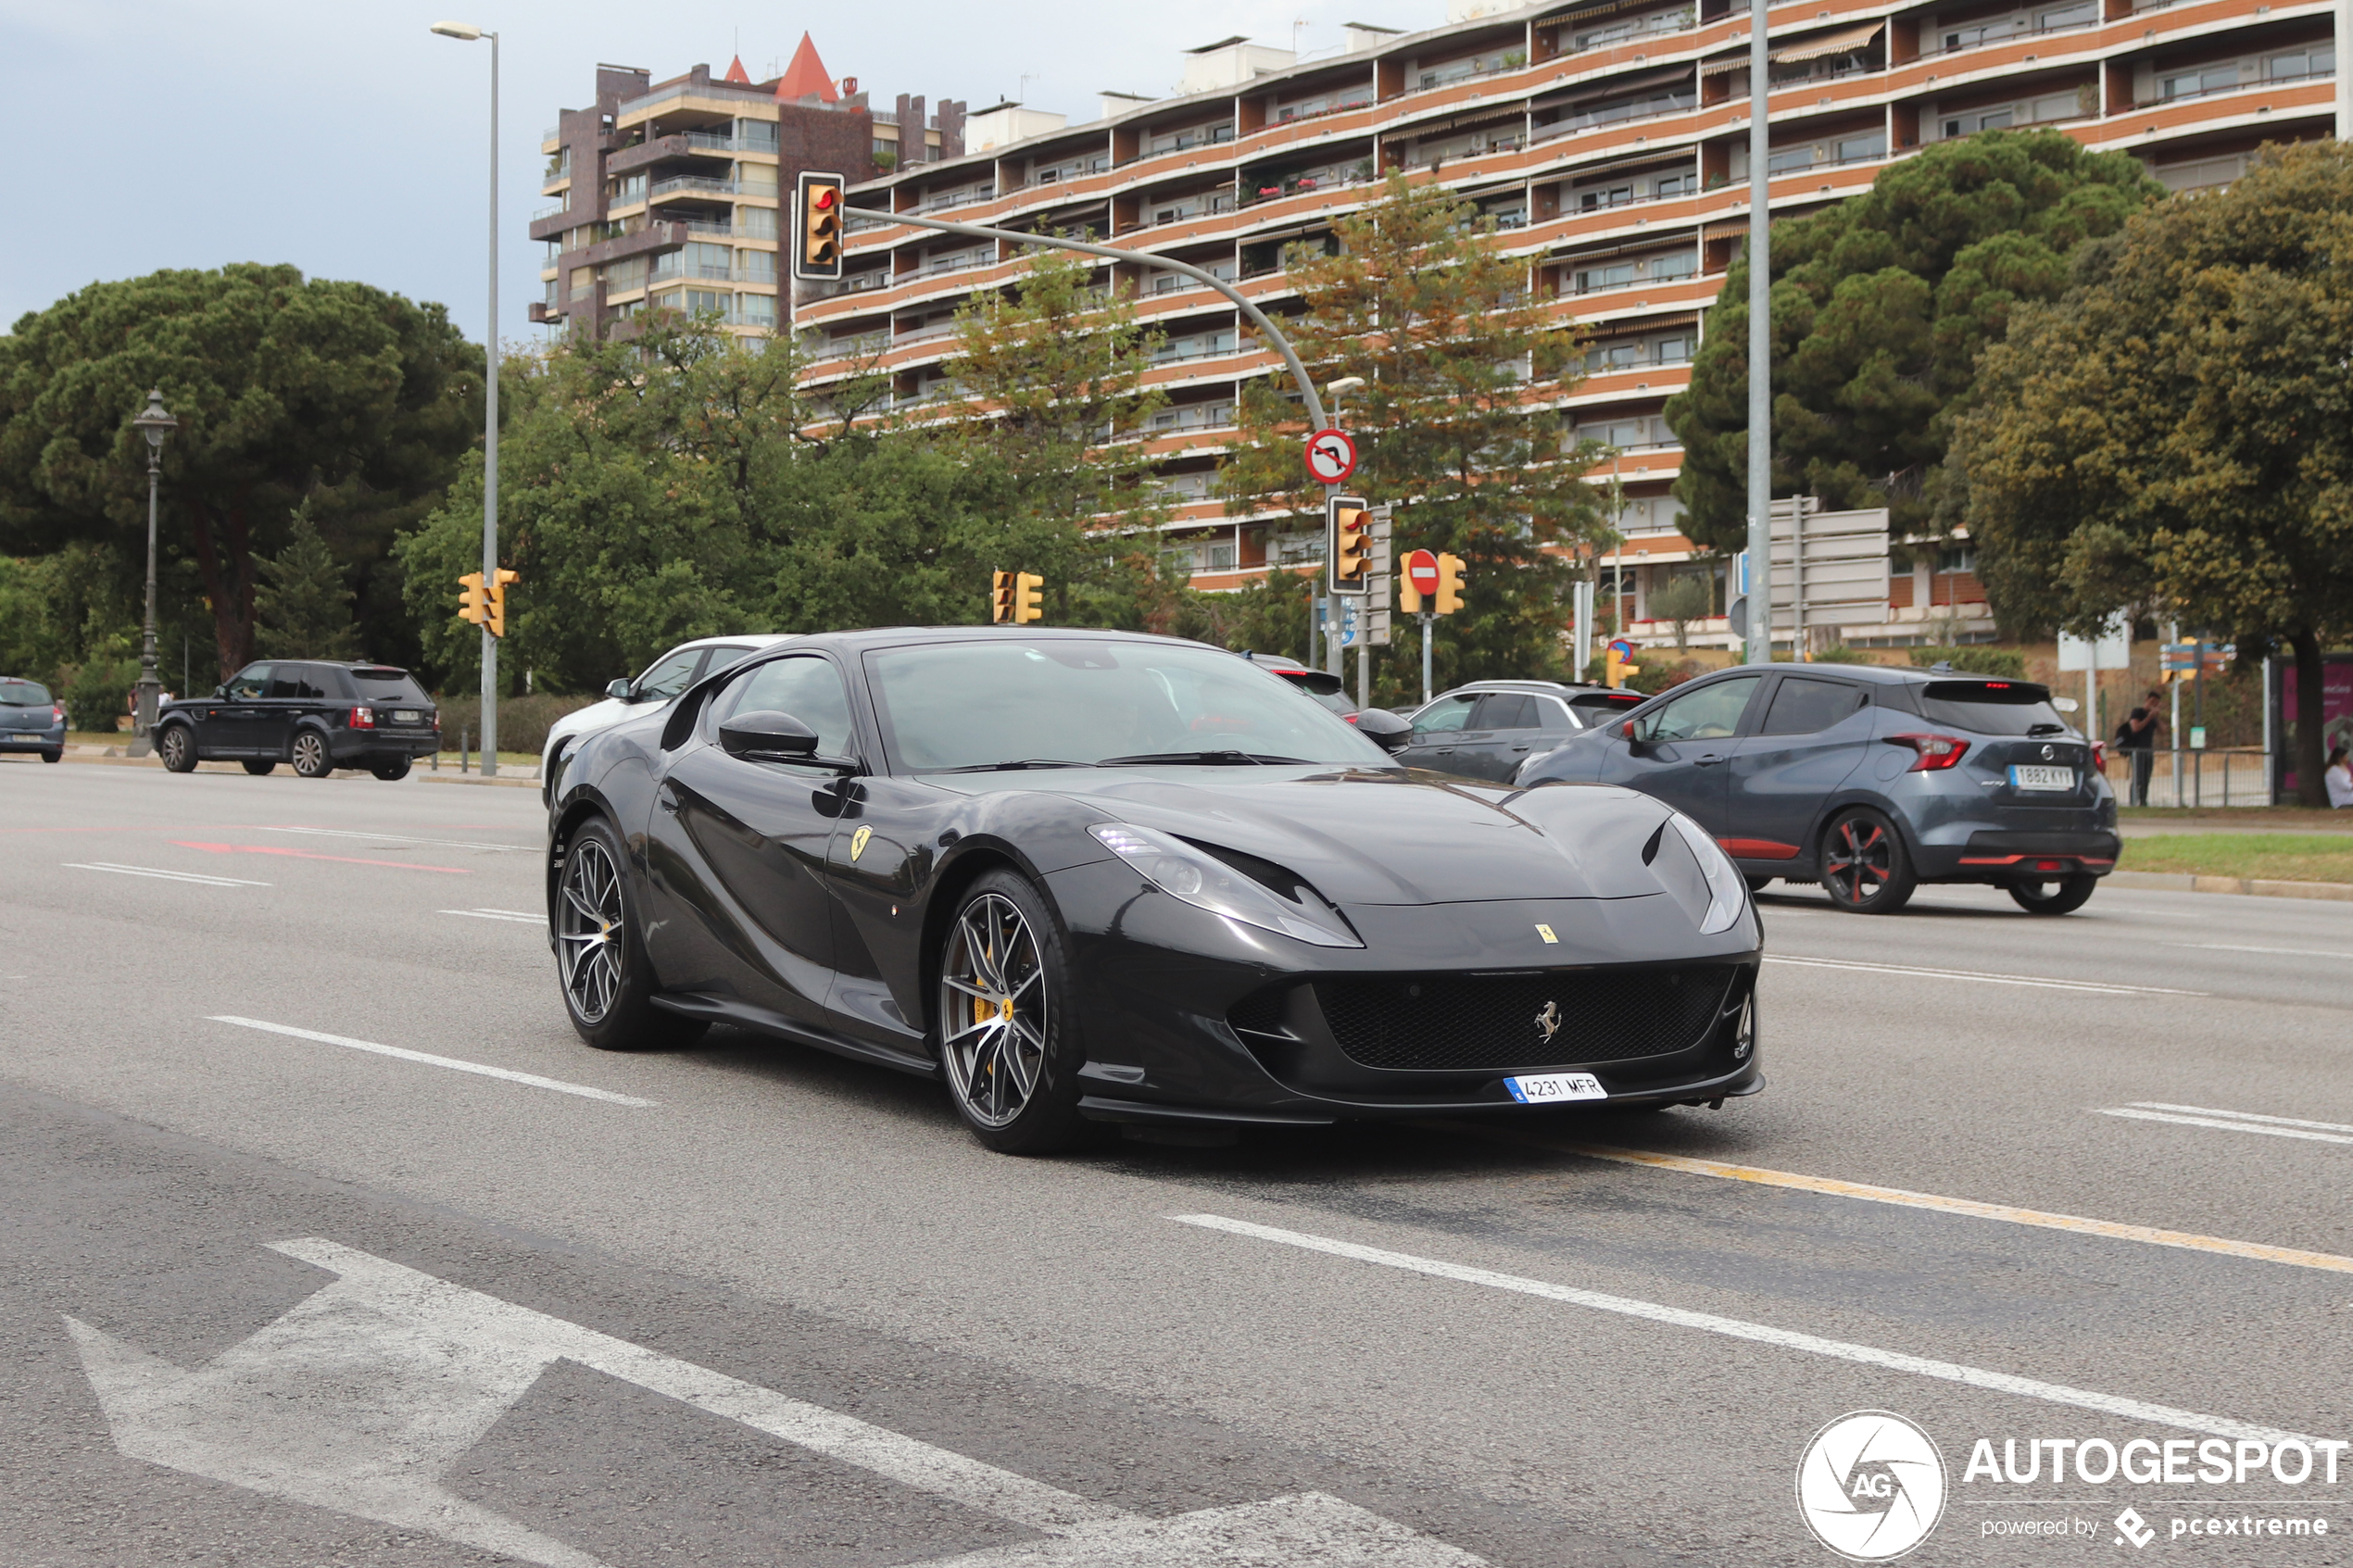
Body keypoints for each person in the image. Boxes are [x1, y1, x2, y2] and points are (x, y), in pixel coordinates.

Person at [2115, 687, 2164, 807]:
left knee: (2146, 777)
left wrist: (2156, 717)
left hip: (2148, 750)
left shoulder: (2153, 718)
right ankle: (2133, 801)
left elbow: (2163, 731)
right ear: (2146, 700)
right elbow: (2135, 728)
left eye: (2156, 703)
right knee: (2138, 777)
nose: (2153, 705)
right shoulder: (2137, 712)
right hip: (2137, 750)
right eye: (2152, 702)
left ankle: (2143, 801)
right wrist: (2148, 717)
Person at [2327, 743, 2353, 809]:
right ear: (2340, 758)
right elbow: (2345, 786)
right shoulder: (2334, 770)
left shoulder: (2342, 769)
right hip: (2341, 801)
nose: (2347, 759)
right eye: (2345, 757)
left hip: (2348, 797)